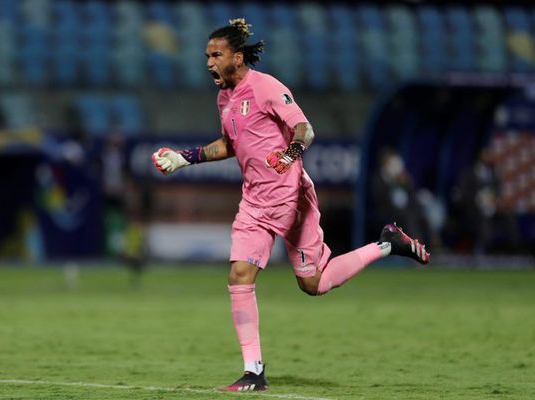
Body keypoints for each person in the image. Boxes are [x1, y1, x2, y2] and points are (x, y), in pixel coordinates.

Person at [151, 18, 430, 392]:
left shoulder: (266, 87)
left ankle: (387, 244)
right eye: (206, 56)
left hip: (292, 197)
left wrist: (290, 153)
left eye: (216, 55)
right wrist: (186, 158)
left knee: (312, 284)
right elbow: (230, 145)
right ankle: (254, 371)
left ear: (237, 56)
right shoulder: (225, 97)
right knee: (240, 275)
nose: (209, 63)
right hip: (254, 200)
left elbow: (305, 130)